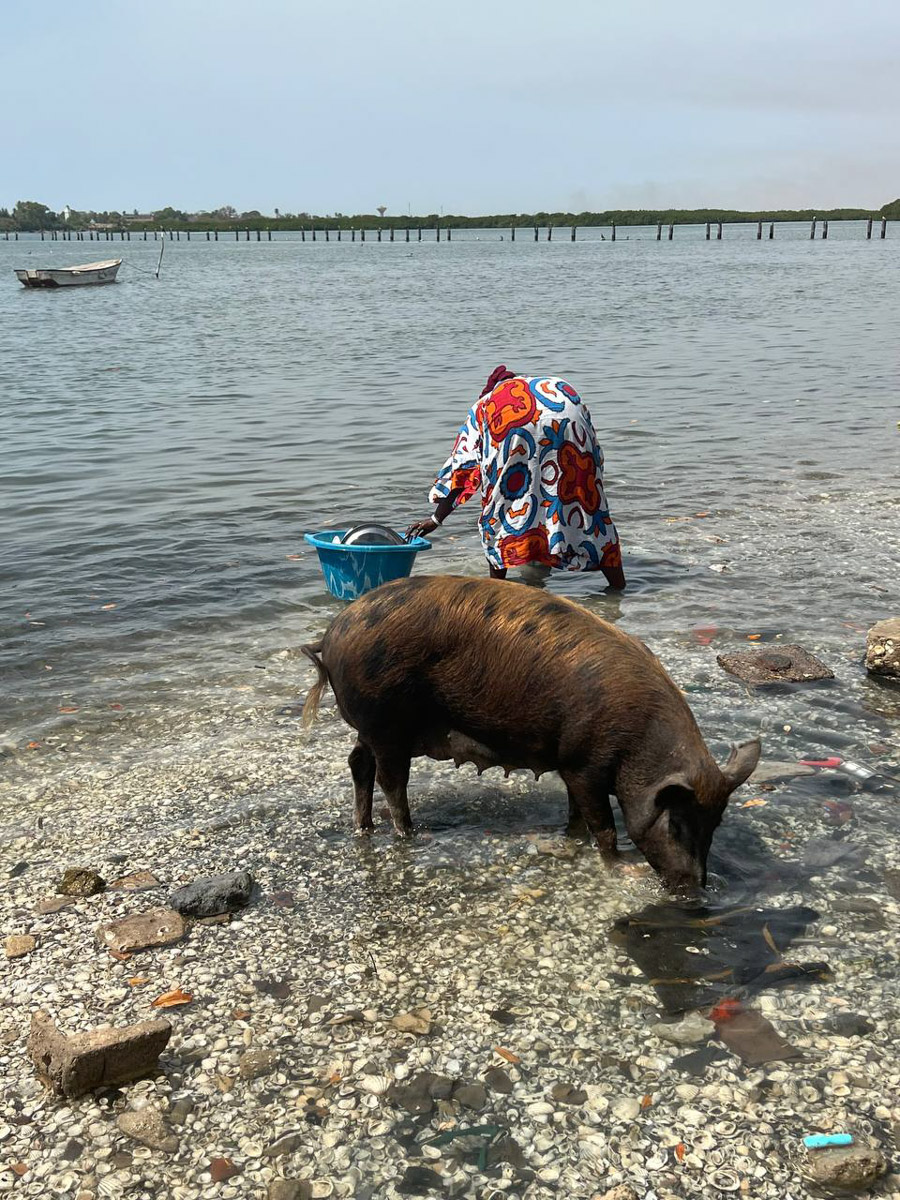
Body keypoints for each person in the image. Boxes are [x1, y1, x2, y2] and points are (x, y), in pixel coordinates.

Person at [406, 366, 626, 588]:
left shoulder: (484, 404)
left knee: (502, 505)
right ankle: (618, 587)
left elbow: (463, 471)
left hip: (514, 421)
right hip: (568, 408)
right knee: (586, 503)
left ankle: (498, 590)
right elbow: (595, 455)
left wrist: (436, 519)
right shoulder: (550, 384)